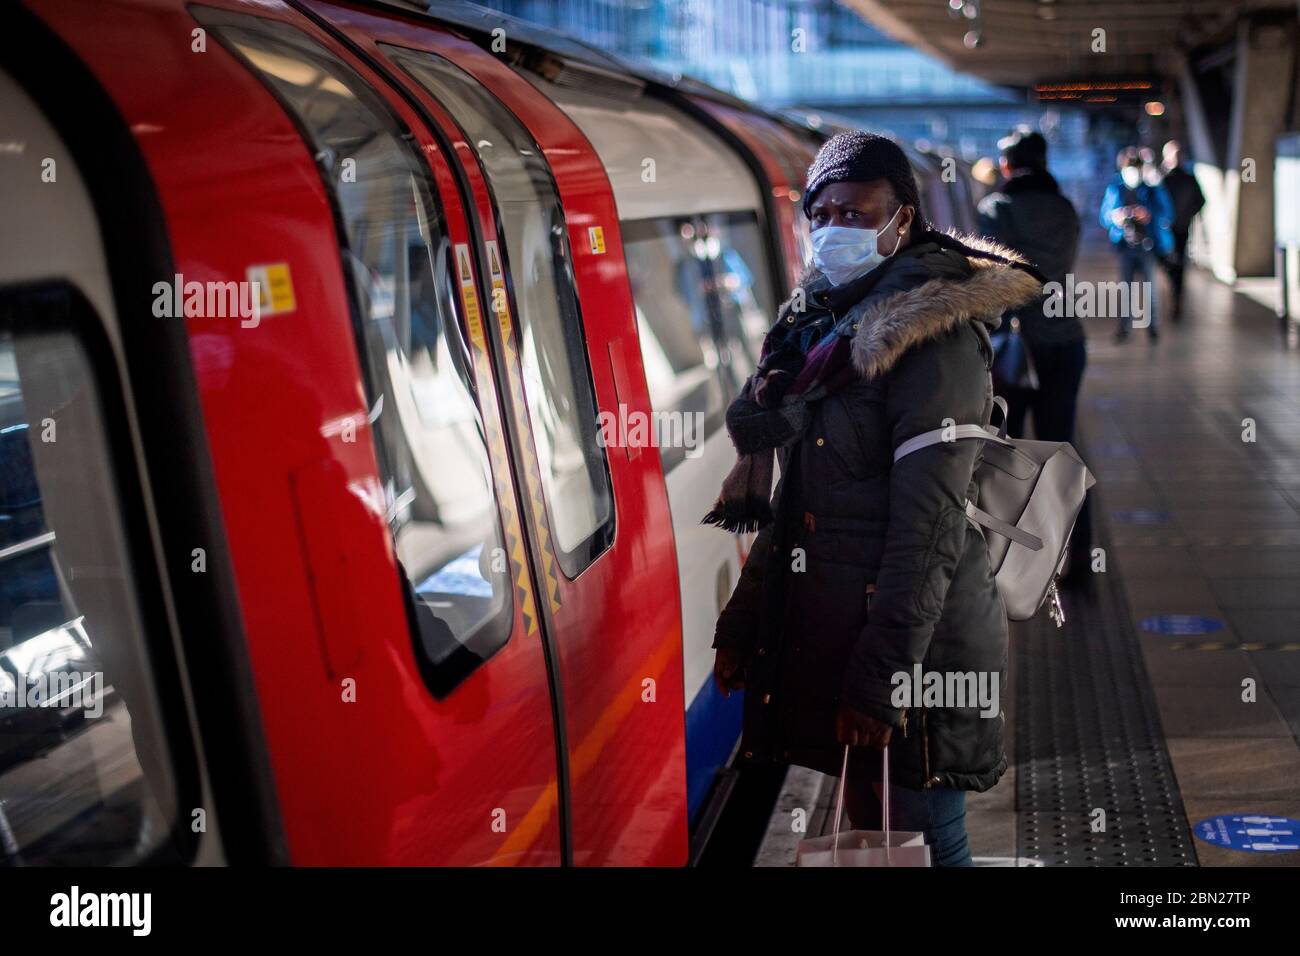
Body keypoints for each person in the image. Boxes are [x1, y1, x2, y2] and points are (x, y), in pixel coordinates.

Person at [706, 131, 1043, 867]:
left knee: (923, 835)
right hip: (851, 635)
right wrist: (746, 621)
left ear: (905, 220)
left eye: (860, 213)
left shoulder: (934, 342)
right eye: (823, 212)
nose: (836, 228)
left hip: (918, 650)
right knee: (878, 829)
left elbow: (929, 528)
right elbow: (803, 502)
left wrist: (882, 678)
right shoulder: (821, 329)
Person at [976, 128, 1091, 579]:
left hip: (1013, 348)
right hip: (1066, 342)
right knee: (1060, 449)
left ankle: (1008, 564)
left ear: (1006, 165)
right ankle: (1076, 557)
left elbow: (989, 278)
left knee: (1003, 454)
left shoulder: (996, 209)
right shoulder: (1064, 208)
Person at [1099, 147, 1174, 341]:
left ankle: (1153, 328)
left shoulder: (1152, 189)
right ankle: (1124, 327)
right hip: (1124, 244)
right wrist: (1116, 217)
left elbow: (1166, 212)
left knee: (1150, 289)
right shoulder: (1115, 188)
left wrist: (1147, 213)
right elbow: (1104, 215)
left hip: (1147, 244)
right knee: (1126, 289)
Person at [1158, 140, 1205, 322]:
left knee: (1177, 266)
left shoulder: (1187, 179)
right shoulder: (1163, 179)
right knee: (1170, 264)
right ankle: (1174, 295)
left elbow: (1200, 200)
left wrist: (1187, 215)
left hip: (1179, 229)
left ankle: (1176, 299)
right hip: (1166, 230)